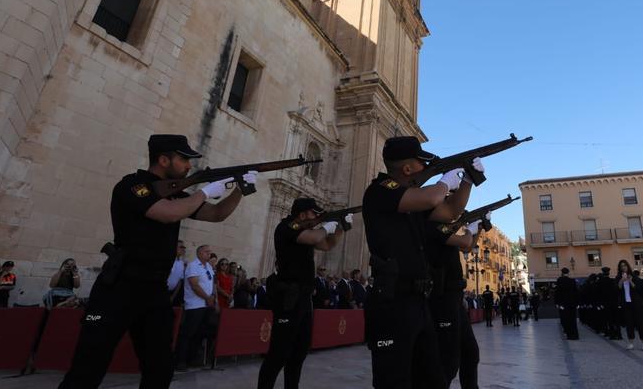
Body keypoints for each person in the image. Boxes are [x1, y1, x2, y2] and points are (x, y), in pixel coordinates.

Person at [58, 134, 254, 389]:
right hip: (119, 286)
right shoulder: (133, 185)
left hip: (154, 291)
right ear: (163, 159)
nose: (188, 166)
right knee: (87, 368)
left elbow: (216, 214)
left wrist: (239, 188)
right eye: (183, 159)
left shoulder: (178, 194)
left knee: (160, 368)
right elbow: (167, 214)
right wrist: (204, 192)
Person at [362, 136, 476, 388]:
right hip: (392, 303)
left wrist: (468, 180)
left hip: (419, 301)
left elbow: (449, 211)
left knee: (433, 379)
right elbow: (431, 198)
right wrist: (445, 182)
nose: (425, 168)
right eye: (420, 163)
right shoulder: (380, 191)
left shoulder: (413, 200)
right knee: (393, 380)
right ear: (407, 168)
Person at [257, 197, 344, 389]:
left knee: (299, 352)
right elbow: (314, 237)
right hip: (288, 296)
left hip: (304, 297)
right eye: (315, 213)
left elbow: (327, 245)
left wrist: (341, 228)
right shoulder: (286, 227)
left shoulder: (305, 230)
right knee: (279, 353)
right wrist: (326, 227)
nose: (317, 217)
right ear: (303, 214)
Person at [425, 212, 482, 388]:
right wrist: (469, 229)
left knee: (470, 353)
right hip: (443, 297)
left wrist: (478, 228)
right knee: (448, 361)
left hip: (455, 298)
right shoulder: (435, 227)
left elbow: (468, 246)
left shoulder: (446, 230)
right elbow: (465, 242)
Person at [174, 245, 216, 371]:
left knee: (200, 333)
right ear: (199, 253)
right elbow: (195, 285)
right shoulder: (193, 266)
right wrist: (207, 298)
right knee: (188, 333)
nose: (209, 253)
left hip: (206, 306)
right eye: (206, 252)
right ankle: (180, 360)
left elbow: (211, 283)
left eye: (210, 251)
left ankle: (192, 359)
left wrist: (213, 297)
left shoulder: (208, 267)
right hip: (195, 306)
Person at [616, 260, 643, 350]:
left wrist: (630, 280)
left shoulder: (634, 276)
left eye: (625, 265)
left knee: (640, 322)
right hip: (626, 303)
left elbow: (638, 289)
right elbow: (617, 289)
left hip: (636, 303)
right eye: (621, 266)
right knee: (629, 323)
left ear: (628, 266)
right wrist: (622, 280)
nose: (623, 267)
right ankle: (631, 342)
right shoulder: (618, 277)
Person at [555, 267, 579, 340]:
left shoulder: (559, 280)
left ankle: (569, 335)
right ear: (568, 273)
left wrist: (557, 303)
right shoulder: (572, 281)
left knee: (566, 319)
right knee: (573, 319)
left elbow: (557, 293)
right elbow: (576, 292)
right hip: (572, 304)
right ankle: (575, 335)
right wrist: (577, 303)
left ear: (562, 273)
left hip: (564, 304)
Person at [167, 240, 186, 306]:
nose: (183, 249)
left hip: (172, 293)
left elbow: (180, 281)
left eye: (184, 247)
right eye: (181, 247)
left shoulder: (181, 262)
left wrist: (173, 296)